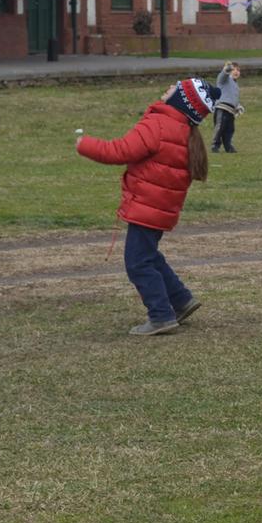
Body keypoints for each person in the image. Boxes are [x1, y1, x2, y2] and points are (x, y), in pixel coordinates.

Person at [77, 77, 218, 336]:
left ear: (182, 100)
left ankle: (161, 316)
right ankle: (181, 300)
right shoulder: (182, 129)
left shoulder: (158, 124)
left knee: (137, 262)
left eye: (174, 87)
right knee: (148, 255)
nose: (167, 88)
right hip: (161, 206)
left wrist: (85, 145)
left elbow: (120, 151)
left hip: (147, 205)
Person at [211, 61, 242, 153]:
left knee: (230, 129)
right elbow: (223, 74)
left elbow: (233, 98)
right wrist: (228, 68)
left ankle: (228, 146)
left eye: (238, 70)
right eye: (234, 69)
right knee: (220, 127)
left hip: (231, 111)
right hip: (222, 108)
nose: (236, 71)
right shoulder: (224, 80)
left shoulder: (235, 85)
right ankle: (215, 145)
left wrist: (238, 106)